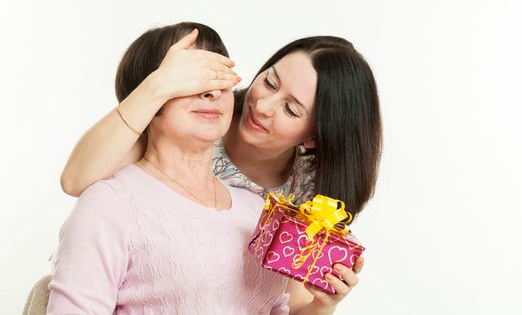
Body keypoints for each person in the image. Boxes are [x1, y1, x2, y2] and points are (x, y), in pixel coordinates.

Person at [60, 24, 382, 313]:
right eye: (269, 81)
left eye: (290, 108)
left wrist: (322, 306)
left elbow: (280, 305)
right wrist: (161, 84)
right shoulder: (191, 122)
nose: (263, 106)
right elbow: (78, 180)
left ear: (312, 137)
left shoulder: (295, 202)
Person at [48, 22, 290, 314]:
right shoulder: (110, 204)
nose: (212, 92)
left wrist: (320, 308)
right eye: (191, 79)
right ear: (149, 94)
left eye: (219, 78)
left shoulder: (256, 211)